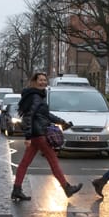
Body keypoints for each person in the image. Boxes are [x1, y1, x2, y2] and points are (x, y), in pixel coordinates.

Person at [11, 71, 82, 201]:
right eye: (40, 80)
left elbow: (46, 115)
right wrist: (27, 136)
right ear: (34, 82)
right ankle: (67, 188)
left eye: (45, 80)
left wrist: (62, 122)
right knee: (53, 161)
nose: (43, 82)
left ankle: (17, 189)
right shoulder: (35, 97)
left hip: (36, 135)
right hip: (39, 135)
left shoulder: (36, 95)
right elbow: (28, 117)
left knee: (24, 163)